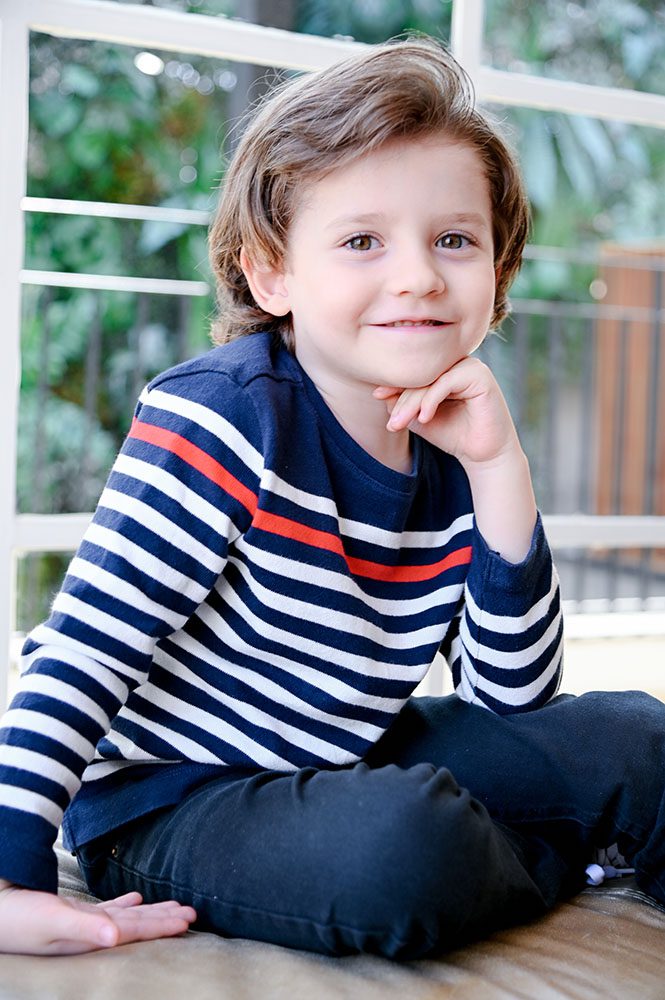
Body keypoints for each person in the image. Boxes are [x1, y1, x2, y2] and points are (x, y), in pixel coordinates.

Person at [1, 35, 664, 961]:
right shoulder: (225, 414)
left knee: (638, 737)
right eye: (361, 241)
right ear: (271, 273)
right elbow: (82, 654)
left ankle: (534, 851)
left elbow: (512, 704)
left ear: (499, 272)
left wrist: (498, 470)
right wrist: (9, 878)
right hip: (176, 796)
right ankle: (564, 857)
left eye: (454, 240)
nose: (418, 275)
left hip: (346, 752)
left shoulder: (451, 437)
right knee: (403, 845)